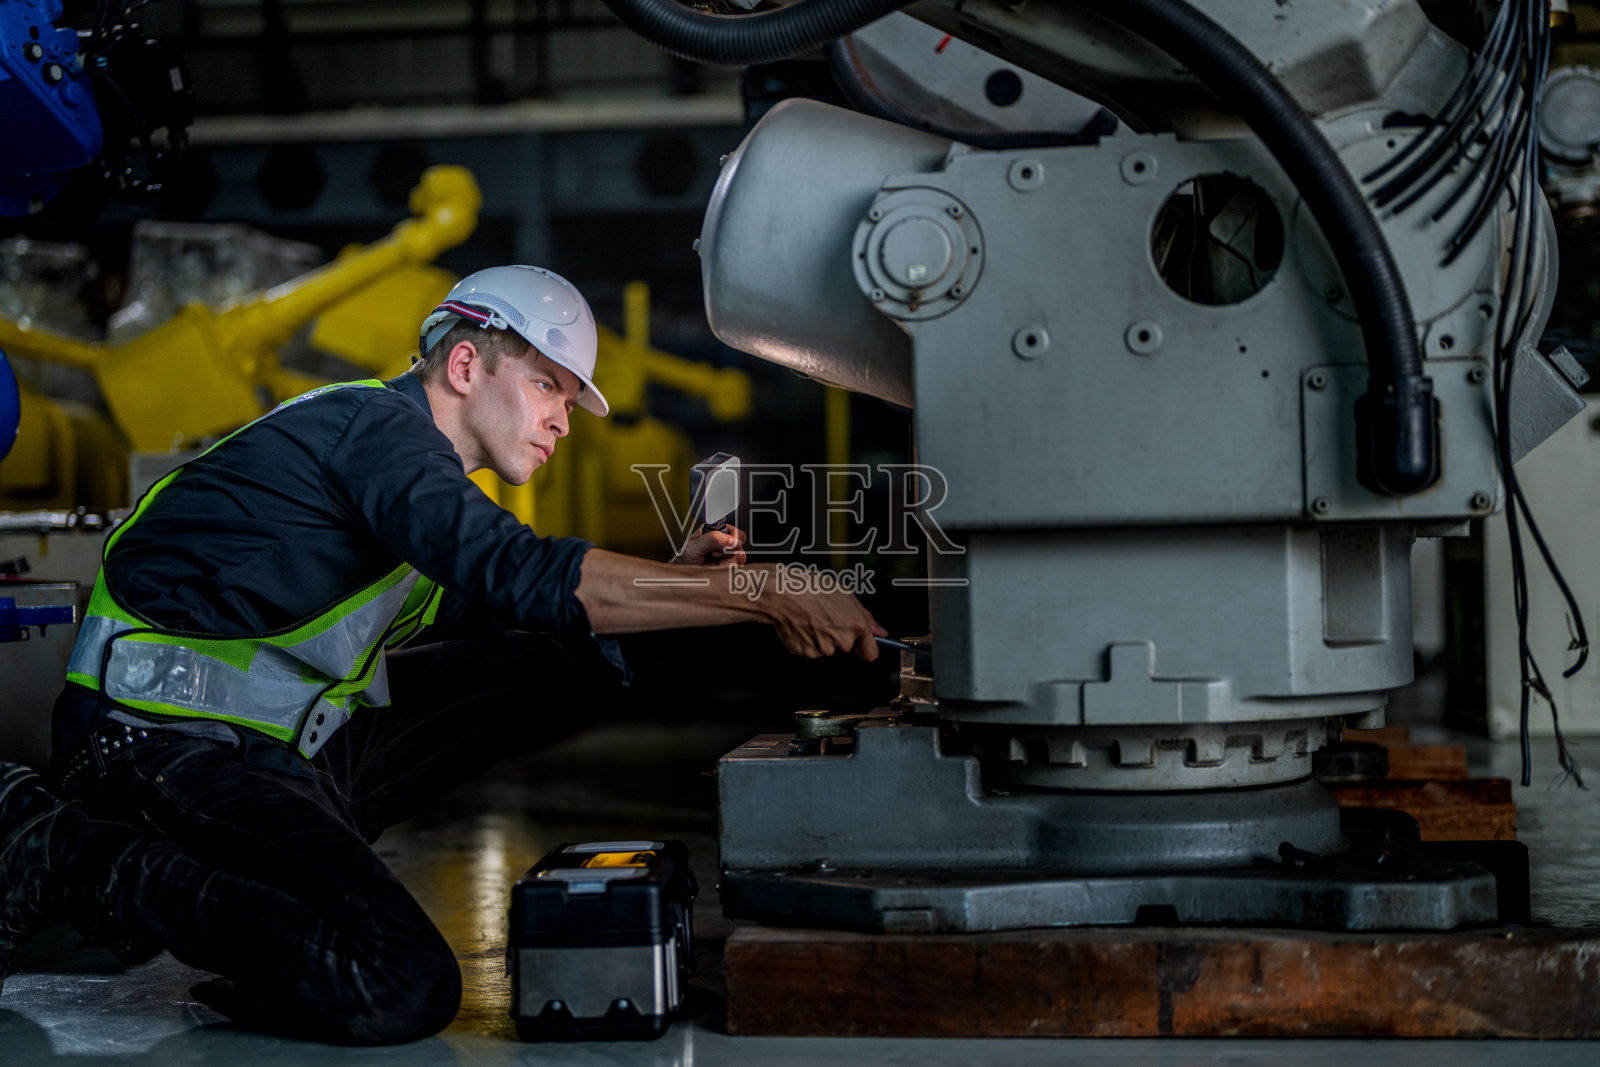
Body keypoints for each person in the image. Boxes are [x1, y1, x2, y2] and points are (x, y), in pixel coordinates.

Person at [0, 264, 883, 1044]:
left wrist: (679, 583)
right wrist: (760, 591)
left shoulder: (415, 486)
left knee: (546, 664)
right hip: (148, 742)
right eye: (547, 386)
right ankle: (56, 849)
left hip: (263, 749)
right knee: (398, 981)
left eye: (568, 400)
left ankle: (298, 875)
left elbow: (520, 605)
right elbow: (520, 572)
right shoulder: (376, 432)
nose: (561, 420)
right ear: (466, 366)